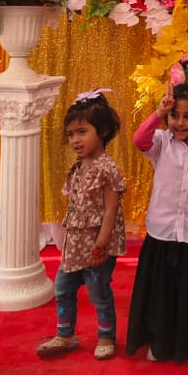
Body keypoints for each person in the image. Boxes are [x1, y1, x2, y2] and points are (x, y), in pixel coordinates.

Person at [126, 81, 188, 363]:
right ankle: (160, 342)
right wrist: (159, 114)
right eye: (175, 116)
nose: (180, 123)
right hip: (163, 233)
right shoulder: (161, 142)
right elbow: (139, 140)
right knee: (162, 295)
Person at [36, 90, 126, 361]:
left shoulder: (107, 168)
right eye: (71, 134)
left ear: (104, 130)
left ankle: (106, 336)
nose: (75, 139)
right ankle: (65, 334)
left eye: (82, 132)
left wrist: (100, 244)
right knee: (62, 289)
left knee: (99, 293)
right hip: (74, 246)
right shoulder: (78, 166)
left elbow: (111, 210)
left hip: (97, 246)